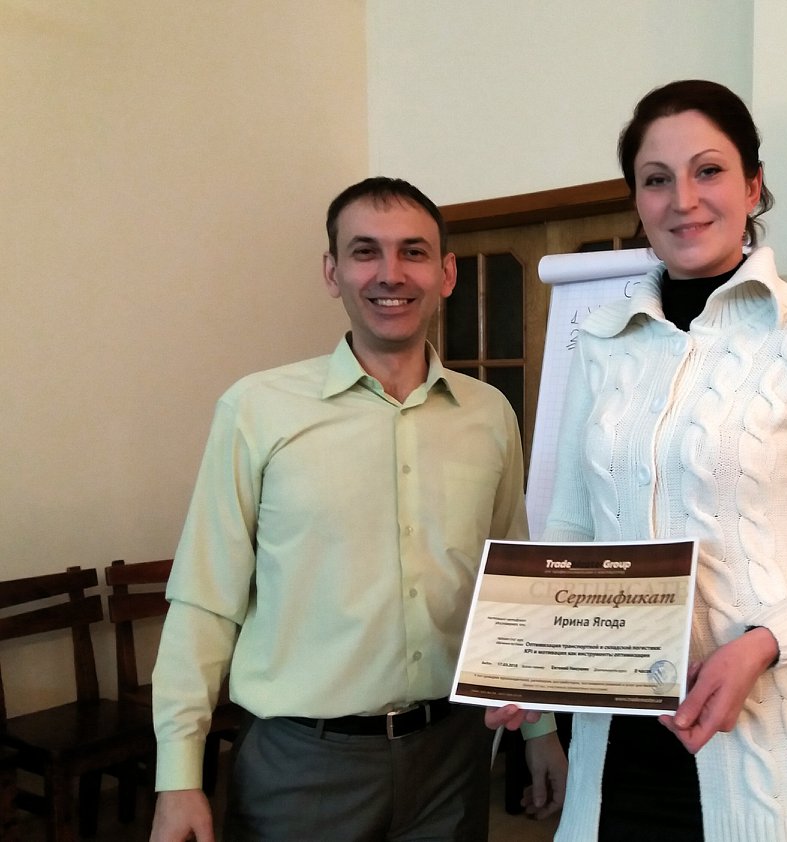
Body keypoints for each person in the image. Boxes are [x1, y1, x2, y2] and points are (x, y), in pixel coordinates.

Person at [490, 80, 787, 841]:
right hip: (616, 752)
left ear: (753, 185)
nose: (683, 200)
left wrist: (761, 646)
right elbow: (572, 529)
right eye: (657, 179)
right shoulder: (602, 341)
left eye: (709, 171)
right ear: (637, 200)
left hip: (771, 746)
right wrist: (531, 656)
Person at [149, 176, 567, 842]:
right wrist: (178, 775)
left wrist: (539, 728)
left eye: (413, 252)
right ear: (332, 271)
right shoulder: (256, 410)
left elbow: (509, 584)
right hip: (301, 767)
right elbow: (205, 600)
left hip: (452, 757)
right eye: (365, 251)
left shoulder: (490, 415)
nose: (390, 274)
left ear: (446, 273)